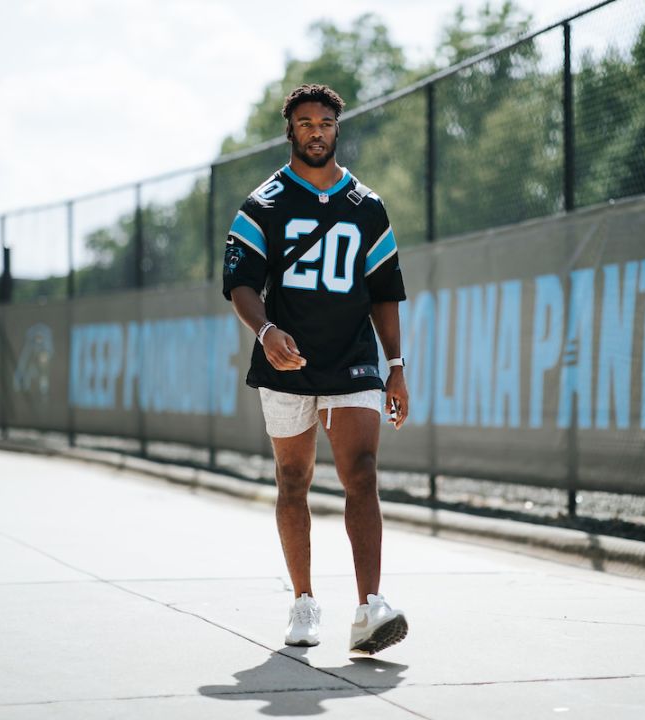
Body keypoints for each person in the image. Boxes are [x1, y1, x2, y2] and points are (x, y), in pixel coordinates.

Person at [221, 83, 410, 655]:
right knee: (294, 481)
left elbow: (384, 292)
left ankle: (370, 608)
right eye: (305, 123)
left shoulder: (367, 207)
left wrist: (395, 365)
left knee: (363, 474)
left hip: (353, 359)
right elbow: (240, 283)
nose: (316, 131)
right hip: (287, 363)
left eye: (325, 122)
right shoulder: (264, 203)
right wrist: (266, 331)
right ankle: (303, 602)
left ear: (336, 128)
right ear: (291, 131)